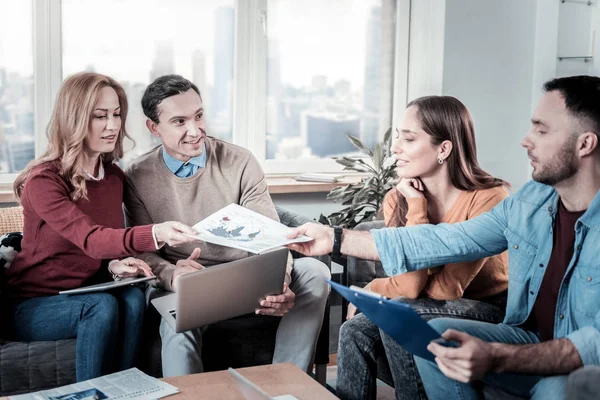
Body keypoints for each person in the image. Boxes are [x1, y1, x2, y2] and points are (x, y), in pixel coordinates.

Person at [287, 75, 600, 399]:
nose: (525, 140)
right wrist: (334, 237)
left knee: (558, 387)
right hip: (528, 335)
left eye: (541, 130)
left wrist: (496, 356)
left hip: (578, 361)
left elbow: (593, 345)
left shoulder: (494, 195)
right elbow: (445, 241)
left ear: (585, 143)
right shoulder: (532, 203)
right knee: (434, 334)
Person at [123, 74, 330, 377]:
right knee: (176, 326)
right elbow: (142, 249)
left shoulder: (240, 161)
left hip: (245, 275)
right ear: (154, 128)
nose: (195, 131)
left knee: (315, 273)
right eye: (179, 122)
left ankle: (287, 383)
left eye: (199, 116)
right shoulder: (137, 176)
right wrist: (172, 275)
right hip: (186, 284)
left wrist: (280, 283)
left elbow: (272, 236)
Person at [2, 72, 200, 381]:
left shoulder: (113, 178)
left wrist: (117, 266)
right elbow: (91, 239)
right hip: (31, 304)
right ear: (75, 119)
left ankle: (128, 388)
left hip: (82, 291)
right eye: (99, 116)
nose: (112, 125)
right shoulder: (44, 181)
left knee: (134, 298)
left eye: (117, 114)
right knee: (101, 306)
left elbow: (103, 249)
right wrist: (156, 233)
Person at [337, 96, 509, 400]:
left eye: (409, 138)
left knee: (398, 316)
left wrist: (375, 287)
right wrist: (413, 203)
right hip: (421, 300)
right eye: (398, 135)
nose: (395, 148)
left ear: (444, 148)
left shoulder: (489, 197)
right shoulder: (397, 198)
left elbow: (445, 290)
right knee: (353, 331)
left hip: (490, 306)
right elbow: (411, 284)